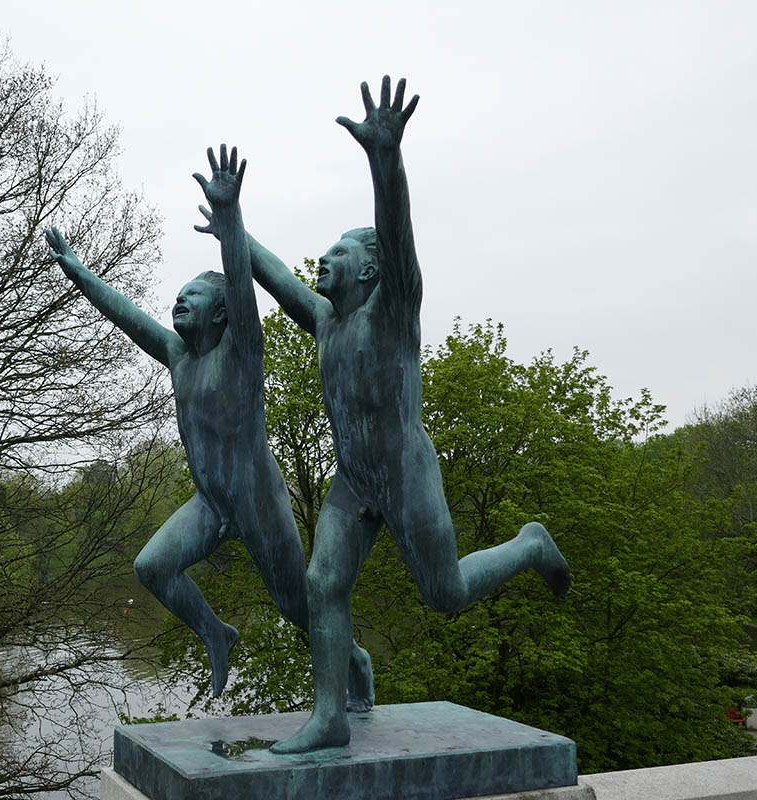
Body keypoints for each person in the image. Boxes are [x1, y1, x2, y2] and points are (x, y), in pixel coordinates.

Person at [198, 76, 571, 752]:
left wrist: (385, 159)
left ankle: (530, 545)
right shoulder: (323, 320)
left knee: (446, 594)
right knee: (321, 584)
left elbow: (397, 234)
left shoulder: (394, 311)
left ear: (368, 270)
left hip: (404, 474)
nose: (324, 260)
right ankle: (329, 716)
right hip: (354, 481)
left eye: (337, 254)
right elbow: (271, 271)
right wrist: (233, 223)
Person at [45, 145, 371, 702]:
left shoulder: (242, 350)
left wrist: (231, 218)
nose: (178, 302)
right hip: (210, 501)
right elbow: (127, 315)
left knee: (298, 608)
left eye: (191, 295)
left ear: (220, 313)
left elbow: (243, 287)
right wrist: (78, 272)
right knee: (152, 567)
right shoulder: (179, 357)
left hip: (255, 498)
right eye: (177, 296)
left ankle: (356, 662)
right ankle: (217, 633)